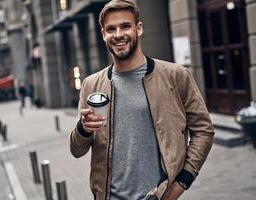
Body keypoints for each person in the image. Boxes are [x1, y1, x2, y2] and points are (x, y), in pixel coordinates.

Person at [69, 0, 214, 199]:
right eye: (111, 29)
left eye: (125, 26)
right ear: (103, 34)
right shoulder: (91, 85)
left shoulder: (175, 76)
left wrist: (182, 182)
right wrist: (83, 129)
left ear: (139, 28)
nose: (118, 34)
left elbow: (203, 131)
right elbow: (76, 150)